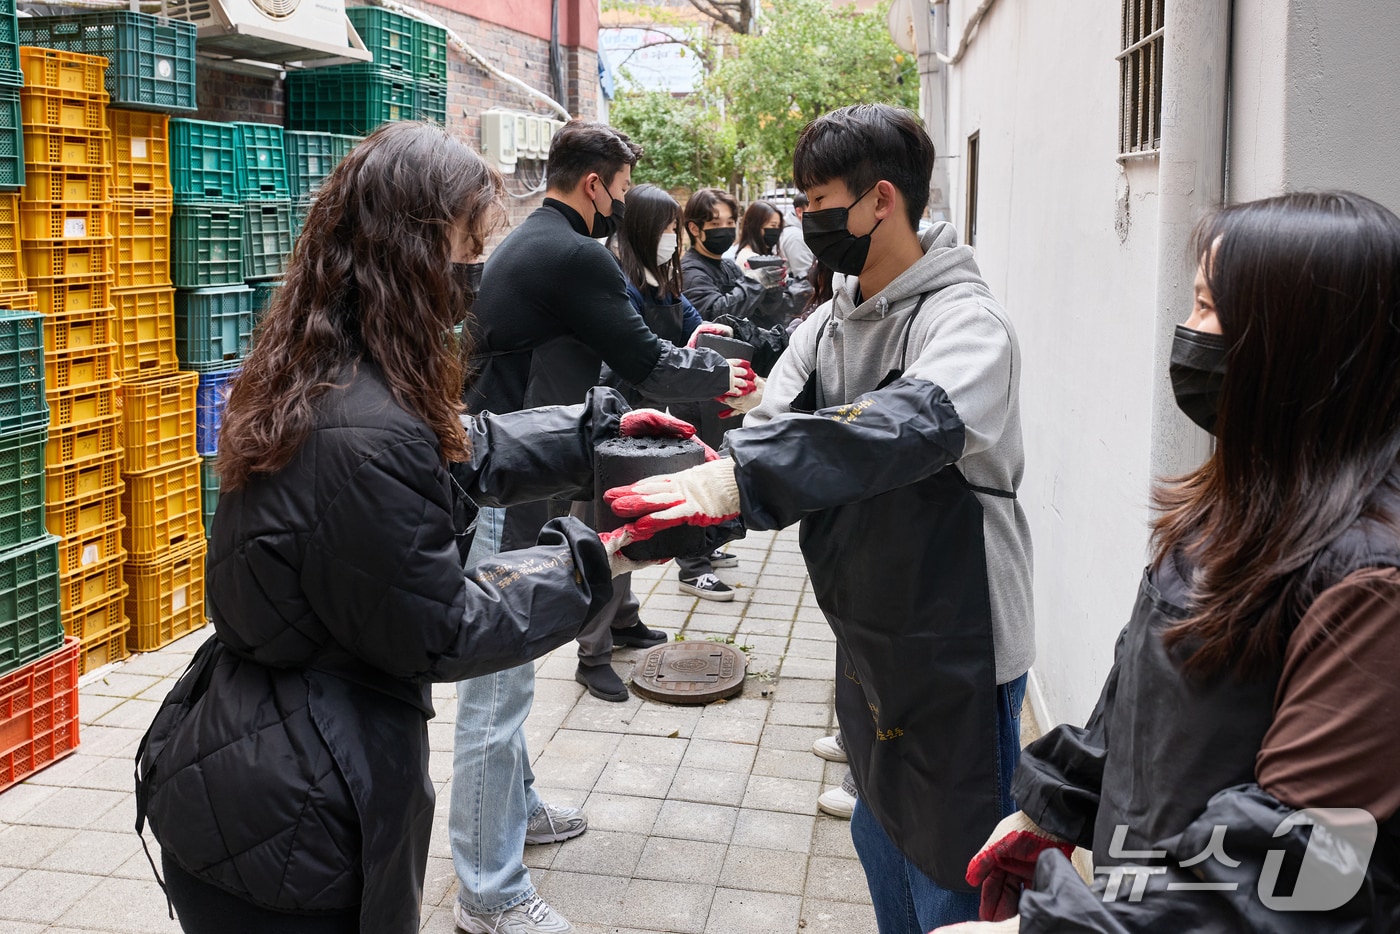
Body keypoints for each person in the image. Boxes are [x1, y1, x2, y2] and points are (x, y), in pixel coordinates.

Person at [131, 121, 679, 934]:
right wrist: (593, 560)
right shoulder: (361, 425)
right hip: (297, 811)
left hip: (254, 765)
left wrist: (588, 436)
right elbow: (439, 628)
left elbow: (455, 446)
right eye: (467, 246)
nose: (476, 274)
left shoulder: (325, 360)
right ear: (408, 255)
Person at [605, 103, 1035, 932]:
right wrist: (665, 522)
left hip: (960, 646)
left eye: (817, 202)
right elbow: (771, 438)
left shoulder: (967, 327)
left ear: (881, 201)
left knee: (954, 871)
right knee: (880, 833)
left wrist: (738, 483)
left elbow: (900, 428)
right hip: (868, 628)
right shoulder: (830, 322)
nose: (804, 222)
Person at [938, 191, 1400, 933]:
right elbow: (1143, 688)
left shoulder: (1374, 587)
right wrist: (1056, 808)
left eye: (1211, 308)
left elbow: (1293, 867)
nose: (1188, 332)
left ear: (1299, 348)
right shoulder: (1245, 498)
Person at [452, 121, 755, 933]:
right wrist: (728, 376)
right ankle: (488, 889)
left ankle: (514, 813)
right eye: (623, 188)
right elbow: (645, 355)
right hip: (499, 490)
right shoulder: (572, 251)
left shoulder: (531, 240)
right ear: (596, 184)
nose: (625, 204)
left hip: (502, 468)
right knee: (497, 689)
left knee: (509, 670)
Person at [612, 183, 749, 605]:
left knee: (642, 520)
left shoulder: (663, 282)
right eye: (666, 228)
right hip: (619, 417)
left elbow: (695, 322)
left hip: (656, 411)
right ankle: (596, 647)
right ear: (640, 229)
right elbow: (643, 357)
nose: (673, 238)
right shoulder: (623, 287)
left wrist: (710, 336)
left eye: (675, 229)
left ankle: (625, 618)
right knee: (612, 524)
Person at [733, 199, 785, 278]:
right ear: (756, 226)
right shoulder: (749, 258)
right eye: (773, 225)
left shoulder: (764, 255)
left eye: (779, 226)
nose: (776, 230)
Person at [778, 191, 816, 280]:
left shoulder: (793, 230)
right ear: (799, 211)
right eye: (814, 208)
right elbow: (805, 274)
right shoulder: (796, 237)